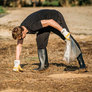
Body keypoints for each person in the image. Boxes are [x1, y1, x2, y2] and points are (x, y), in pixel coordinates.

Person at [12, 9, 87, 72]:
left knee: (68, 38)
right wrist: (17, 62)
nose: (21, 39)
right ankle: (43, 65)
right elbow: (19, 45)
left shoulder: (32, 25)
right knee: (40, 41)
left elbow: (50, 21)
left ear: (22, 32)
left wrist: (63, 31)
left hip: (54, 18)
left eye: (21, 37)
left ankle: (82, 64)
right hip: (45, 24)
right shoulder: (20, 28)